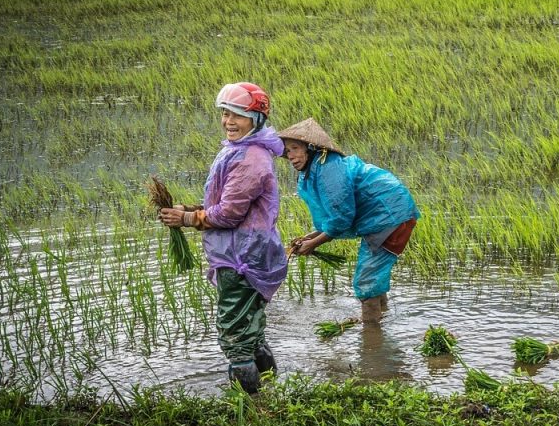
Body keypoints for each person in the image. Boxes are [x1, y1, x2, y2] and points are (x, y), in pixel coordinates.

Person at [158, 82, 288, 394]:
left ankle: (250, 408)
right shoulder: (240, 150)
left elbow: (229, 214)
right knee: (252, 332)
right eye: (225, 113)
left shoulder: (250, 159)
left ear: (255, 119)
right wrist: (189, 209)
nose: (229, 121)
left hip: (242, 258)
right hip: (248, 253)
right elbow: (226, 204)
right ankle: (272, 394)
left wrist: (188, 218)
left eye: (237, 115)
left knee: (235, 338)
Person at [278, 118, 419, 322]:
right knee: (374, 276)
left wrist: (313, 244)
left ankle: (371, 340)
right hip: (384, 215)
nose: (290, 156)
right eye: (287, 151)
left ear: (310, 148)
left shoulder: (328, 167)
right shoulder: (315, 169)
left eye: (295, 148)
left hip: (389, 215)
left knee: (367, 280)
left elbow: (342, 216)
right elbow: (335, 216)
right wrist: (309, 237)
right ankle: (382, 320)